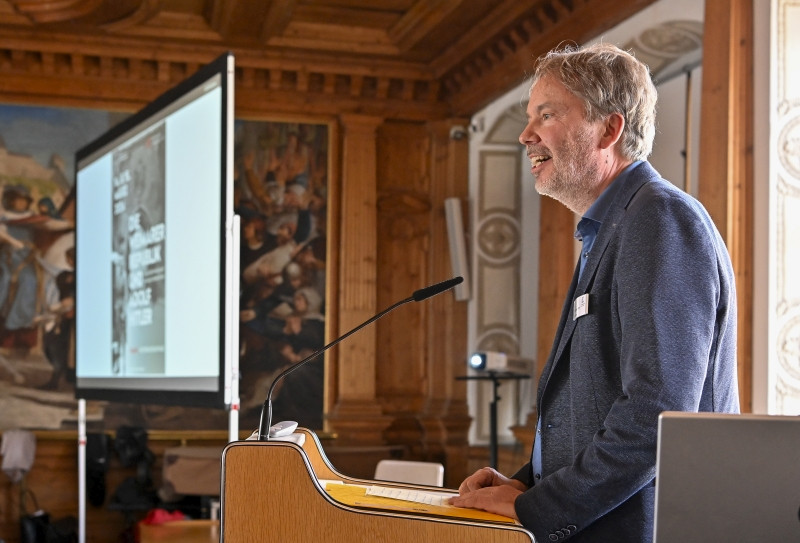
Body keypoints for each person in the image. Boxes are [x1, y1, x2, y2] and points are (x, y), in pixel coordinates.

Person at [449, 43, 740, 542]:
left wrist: (539, 508)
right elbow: (595, 405)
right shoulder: (611, 227)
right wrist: (526, 482)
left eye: (547, 114)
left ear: (610, 128)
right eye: (528, 117)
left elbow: (657, 414)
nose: (525, 135)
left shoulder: (658, 218)